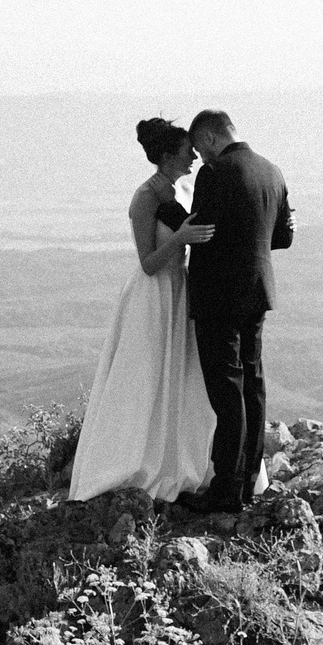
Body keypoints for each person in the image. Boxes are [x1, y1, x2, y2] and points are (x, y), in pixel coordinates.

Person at [68, 118, 220, 502]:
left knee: (181, 375)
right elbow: (148, 262)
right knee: (144, 378)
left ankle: (176, 456)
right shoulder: (145, 198)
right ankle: (132, 459)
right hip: (153, 295)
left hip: (179, 289)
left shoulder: (180, 189)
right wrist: (182, 239)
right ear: (168, 155)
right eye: (187, 151)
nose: (194, 157)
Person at [175, 108, 292, 514]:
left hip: (219, 295)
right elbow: (283, 237)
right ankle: (246, 484)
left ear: (208, 138)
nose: (199, 160)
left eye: (198, 149)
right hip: (257, 291)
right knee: (253, 384)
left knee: (227, 390)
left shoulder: (215, 174)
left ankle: (225, 487)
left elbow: (202, 234)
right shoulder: (272, 171)